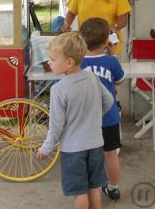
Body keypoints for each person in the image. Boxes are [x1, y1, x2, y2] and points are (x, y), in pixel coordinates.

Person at [37, 32, 114, 209]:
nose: (49, 62)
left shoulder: (58, 89)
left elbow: (56, 125)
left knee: (80, 192)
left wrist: (46, 147)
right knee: (94, 188)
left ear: (69, 62)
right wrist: (94, 116)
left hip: (73, 150)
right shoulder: (93, 78)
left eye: (53, 59)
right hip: (95, 144)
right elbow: (109, 100)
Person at [80, 17, 125, 202]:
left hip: (85, 118)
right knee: (111, 154)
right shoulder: (110, 61)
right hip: (109, 117)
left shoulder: (78, 62)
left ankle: (88, 190)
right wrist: (112, 54)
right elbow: (119, 80)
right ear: (107, 40)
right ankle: (113, 188)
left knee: (86, 155)